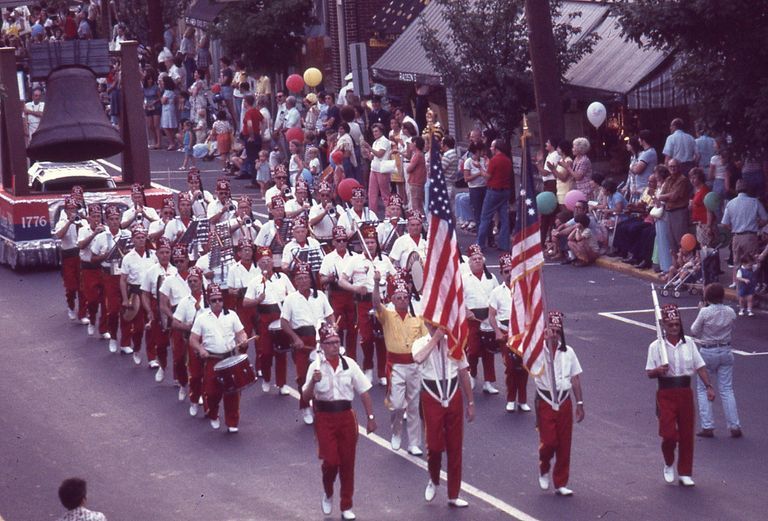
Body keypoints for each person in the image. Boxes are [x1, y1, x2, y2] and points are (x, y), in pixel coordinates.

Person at [302, 322, 376, 521]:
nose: (335, 346)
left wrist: (370, 418)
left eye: (336, 342)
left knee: (347, 463)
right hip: (324, 417)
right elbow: (305, 396)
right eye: (330, 343)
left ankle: (346, 505)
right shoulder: (315, 367)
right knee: (331, 461)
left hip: (346, 417)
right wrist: (313, 382)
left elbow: (364, 391)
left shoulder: (349, 364)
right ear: (323, 346)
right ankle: (328, 492)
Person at [645, 303, 715, 487]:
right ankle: (669, 462)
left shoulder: (689, 343)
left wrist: (709, 386)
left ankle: (685, 472)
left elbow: (699, 366)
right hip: (666, 393)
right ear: (664, 327)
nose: (675, 328)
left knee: (686, 434)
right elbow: (649, 373)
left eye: (677, 324)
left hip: (685, 392)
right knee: (668, 435)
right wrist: (659, 370)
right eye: (671, 325)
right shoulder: (656, 346)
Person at [413, 324, 474, 508]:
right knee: (434, 445)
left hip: (453, 392)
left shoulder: (454, 343)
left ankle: (453, 495)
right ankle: (433, 478)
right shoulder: (420, 342)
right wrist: (435, 339)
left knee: (455, 445)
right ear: (426, 324)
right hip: (431, 394)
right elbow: (418, 358)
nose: (434, 326)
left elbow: (463, 372)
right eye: (431, 323)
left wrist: (470, 402)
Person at [374, 270, 427, 455]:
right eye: (399, 297)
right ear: (393, 299)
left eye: (405, 297)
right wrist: (375, 283)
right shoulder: (387, 316)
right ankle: (396, 431)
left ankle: (414, 443)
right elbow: (375, 304)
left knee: (413, 405)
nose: (403, 300)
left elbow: (425, 342)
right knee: (397, 405)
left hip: (414, 365)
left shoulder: (417, 319)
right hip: (395, 366)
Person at [534, 311, 585, 497]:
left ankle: (561, 482)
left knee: (564, 444)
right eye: (551, 330)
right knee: (549, 442)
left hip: (565, 401)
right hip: (546, 400)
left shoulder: (569, 352)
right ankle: (544, 466)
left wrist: (579, 403)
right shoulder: (538, 351)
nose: (554, 334)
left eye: (557, 331)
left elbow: (575, 378)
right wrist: (543, 343)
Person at [338, 224, 396, 382]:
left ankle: (382, 372)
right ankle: (368, 366)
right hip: (363, 303)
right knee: (367, 338)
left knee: (382, 338)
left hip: (382, 303)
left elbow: (395, 279)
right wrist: (355, 288)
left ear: (376, 243)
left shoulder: (384, 260)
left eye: (372, 242)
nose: (370, 245)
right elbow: (342, 281)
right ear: (362, 244)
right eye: (367, 242)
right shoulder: (355, 260)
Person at [281, 262, 335, 425]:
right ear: (295, 281)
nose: (303, 281)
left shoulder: (321, 296)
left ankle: (323, 407)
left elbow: (330, 315)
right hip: (302, 340)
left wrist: (333, 327)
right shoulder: (290, 299)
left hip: (321, 339)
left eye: (305, 277)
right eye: (299, 278)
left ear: (311, 280)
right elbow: (284, 322)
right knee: (303, 376)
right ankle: (305, 407)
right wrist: (295, 338)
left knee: (324, 374)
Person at [190, 283, 248, 433]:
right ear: (209, 302)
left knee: (232, 392)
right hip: (212, 359)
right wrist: (201, 349)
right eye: (214, 300)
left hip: (229, 358)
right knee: (211, 392)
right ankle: (213, 413)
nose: (218, 303)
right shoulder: (202, 318)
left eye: (220, 300)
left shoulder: (232, 315)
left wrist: (243, 339)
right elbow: (193, 339)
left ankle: (232, 422)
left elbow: (241, 332)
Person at [691, 283, 742, 438]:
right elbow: (732, 324)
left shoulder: (705, 312)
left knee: (703, 388)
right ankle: (734, 425)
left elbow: (694, 330)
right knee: (727, 389)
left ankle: (708, 426)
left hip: (708, 350)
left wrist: (701, 310)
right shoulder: (730, 311)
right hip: (726, 349)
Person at [243, 246, 294, 394]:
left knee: (281, 352)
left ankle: (282, 384)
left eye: (268, 260)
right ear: (258, 264)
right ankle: (266, 378)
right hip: (264, 319)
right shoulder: (255, 282)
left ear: (273, 262)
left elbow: (292, 295)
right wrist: (257, 300)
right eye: (262, 261)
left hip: (280, 316)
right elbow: (245, 302)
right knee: (265, 352)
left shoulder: (282, 278)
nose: (266, 264)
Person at [489, 253, 530, 411]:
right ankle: (511, 399)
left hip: (521, 333)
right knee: (511, 367)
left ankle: (523, 400)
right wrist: (497, 332)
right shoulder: (497, 292)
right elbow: (491, 316)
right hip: (506, 332)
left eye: (512, 270)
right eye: (506, 271)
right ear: (501, 273)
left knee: (524, 367)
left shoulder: (523, 290)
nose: (509, 274)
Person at [461, 244, 500, 393]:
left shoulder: (491, 278)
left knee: (488, 351)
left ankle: (489, 382)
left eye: (479, 258)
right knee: (473, 349)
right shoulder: (464, 278)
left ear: (483, 261)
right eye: (474, 259)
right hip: (471, 319)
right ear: (469, 262)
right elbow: (458, 299)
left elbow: (497, 297)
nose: (477, 261)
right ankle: (472, 374)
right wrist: (465, 311)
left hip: (488, 319)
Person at [721, 179, 767, 288]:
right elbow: (765, 218)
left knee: (737, 264)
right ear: (747, 189)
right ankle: (752, 288)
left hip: (736, 236)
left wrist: (733, 227)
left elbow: (724, 223)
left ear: (736, 190)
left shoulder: (731, 203)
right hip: (750, 235)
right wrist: (758, 225)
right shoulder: (754, 202)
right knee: (752, 262)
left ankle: (739, 289)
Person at [477, 139, 513, 252]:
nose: (491, 149)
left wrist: (479, 167)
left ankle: (480, 244)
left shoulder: (494, 160)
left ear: (497, 148)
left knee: (485, 217)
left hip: (493, 191)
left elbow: (487, 176)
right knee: (504, 218)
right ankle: (504, 244)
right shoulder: (508, 160)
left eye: (492, 147)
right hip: (505, 191)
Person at [406, 136, 427, 212]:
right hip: (416, 181)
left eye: (411, 143)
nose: (410, 145)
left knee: (416, 203)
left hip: (416, 182)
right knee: (418, 202)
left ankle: (418, 219)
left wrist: (407, 167)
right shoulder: (418, 154)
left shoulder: (417, 155)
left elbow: (409, 169)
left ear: (415, 143)